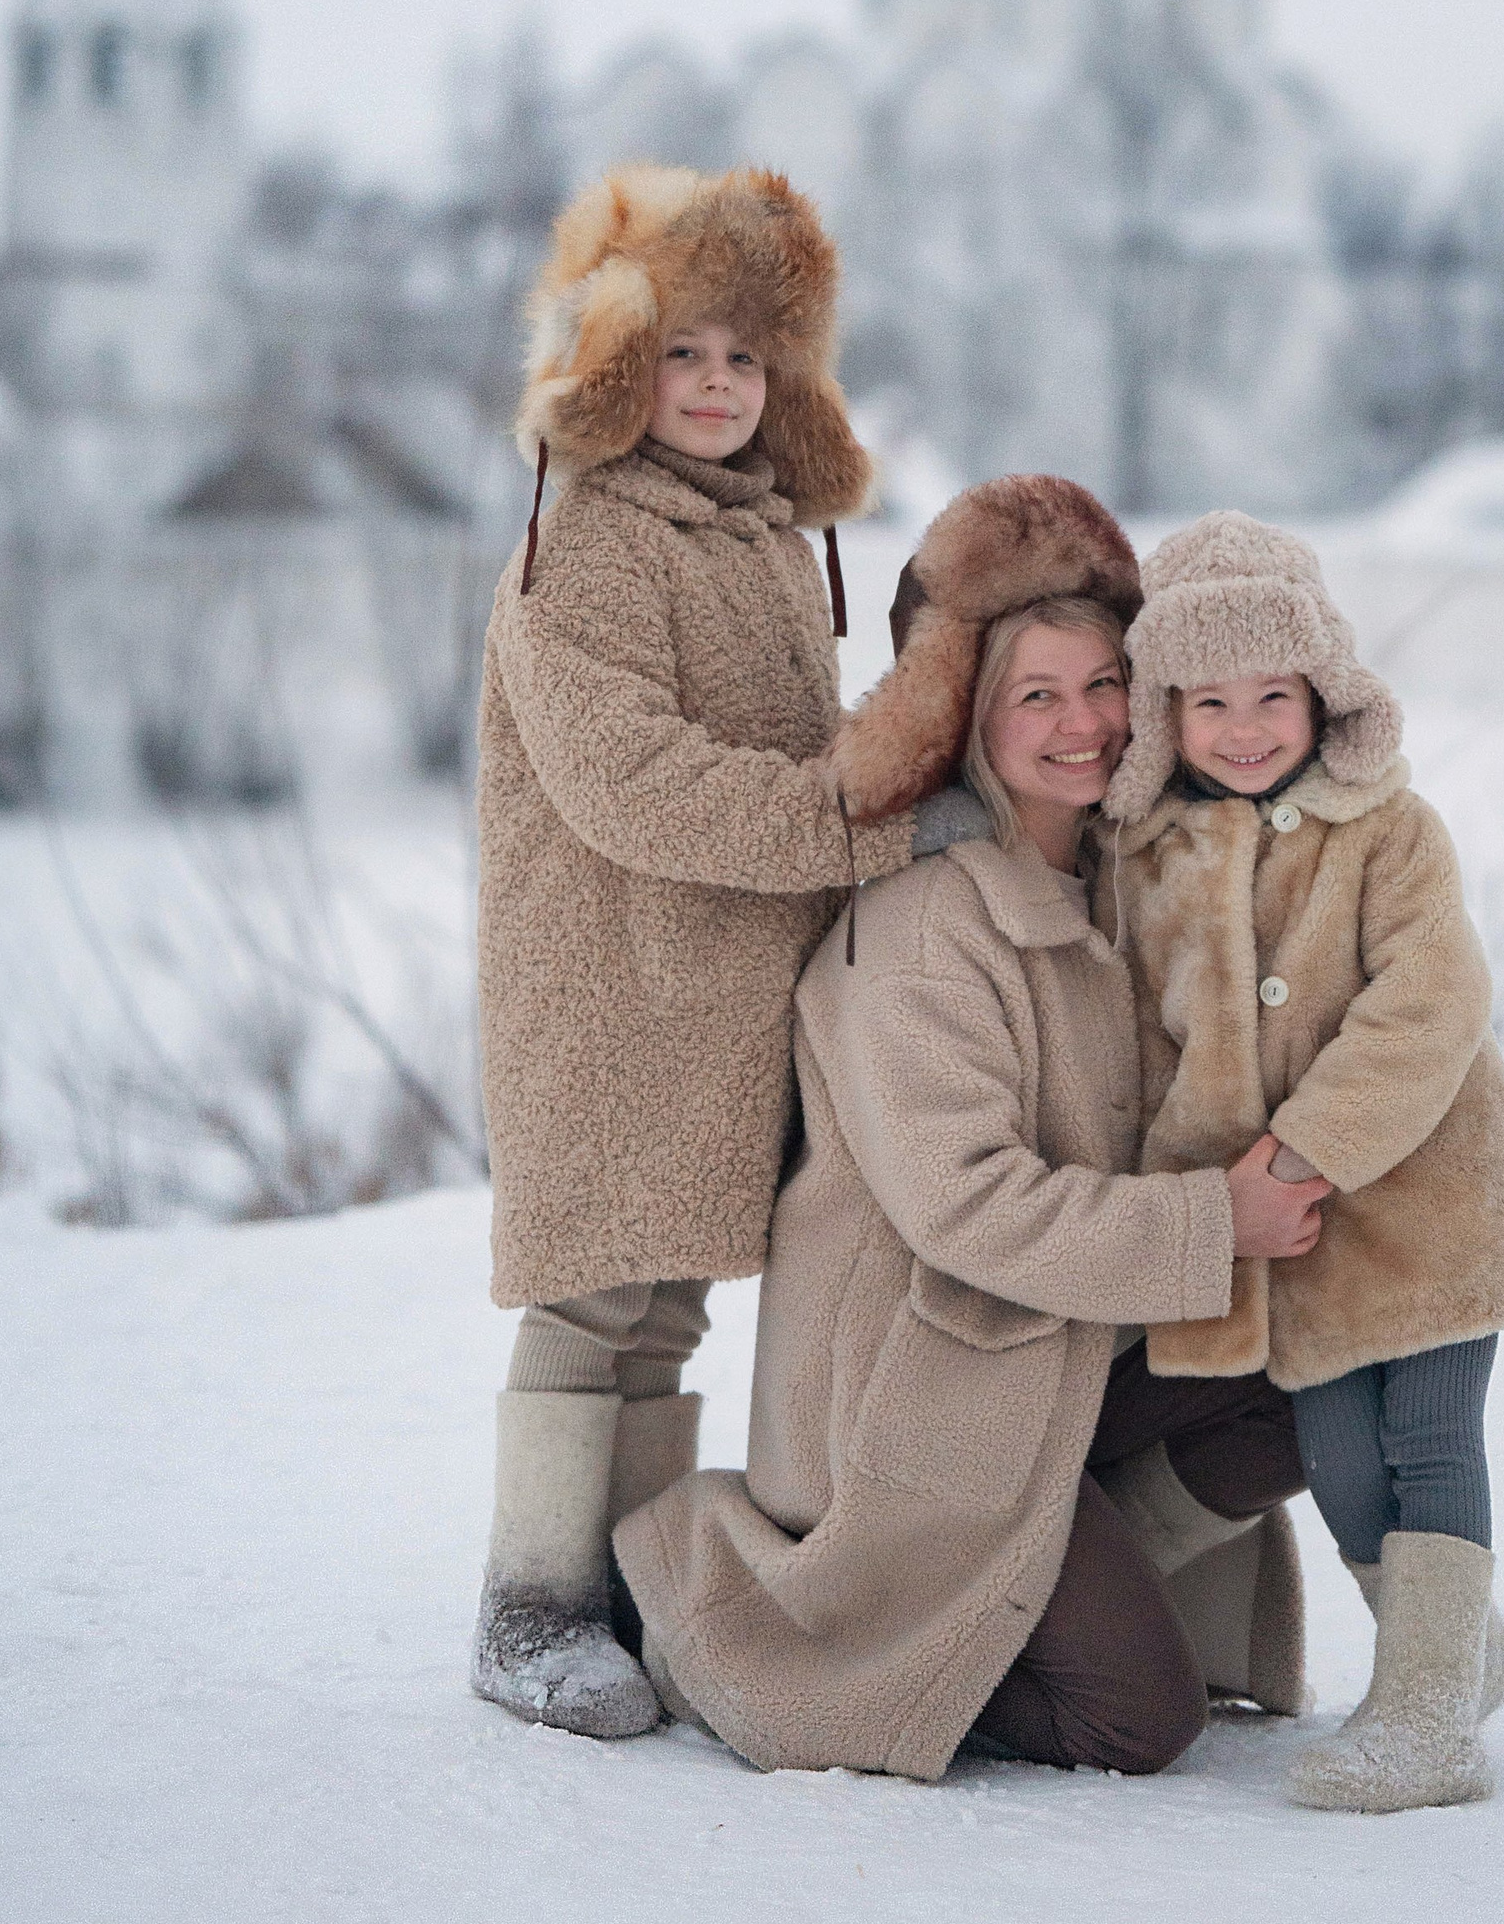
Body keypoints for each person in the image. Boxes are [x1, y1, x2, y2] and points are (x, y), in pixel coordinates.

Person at [616, 477, 1329, 1782]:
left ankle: (1063, 1544)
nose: (1085, 724)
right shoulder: (927, 926)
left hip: (1059, 1351)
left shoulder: (1121, 884)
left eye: (1106, 683)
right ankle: (771, 1628)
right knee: (1141, 1720)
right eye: (1036, 696)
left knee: (1332, 1352)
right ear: (968, 716)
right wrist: (1214, 1221)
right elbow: (974, 1206)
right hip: (926, 1396)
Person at [469, 162, 919, 1740]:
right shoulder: (584, 541)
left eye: (747, 357)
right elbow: (635, 780)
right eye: (684, 354)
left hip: (718, 990)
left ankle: (639, 1588)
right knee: (596, 1293)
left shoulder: (763, 538)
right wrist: (854, 823)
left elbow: (801, 741)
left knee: (668, 1310)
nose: (719, 386)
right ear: (614, 361)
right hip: (610, 982)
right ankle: (531, 1606)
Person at [1099, 511, 1504, 1812]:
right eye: (1211, 700)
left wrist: (1306, 1147)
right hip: (1302, 1243)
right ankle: (1458, 1650)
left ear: (1323, 693)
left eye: (1275, 695)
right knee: (1343, 1460)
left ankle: (1424, 1717)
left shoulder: (1391, 830)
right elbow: (1151, 1044)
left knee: (1427, 1432)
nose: (1247, 726)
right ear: (1166, 710)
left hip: (1432, 1205)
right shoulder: (1156, 864)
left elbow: (1431, 997)